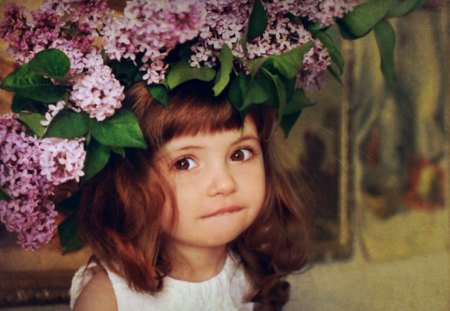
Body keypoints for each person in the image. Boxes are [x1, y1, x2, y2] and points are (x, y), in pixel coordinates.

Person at [69, 80, 311, 310]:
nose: (225, 184)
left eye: (240, 154)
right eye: (184, 163)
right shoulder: (109, 298)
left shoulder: (254, 276)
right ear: (132, 184)